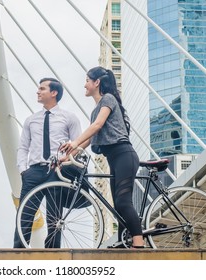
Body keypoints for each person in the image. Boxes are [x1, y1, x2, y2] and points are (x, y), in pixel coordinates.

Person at [61, 66, 144, 248]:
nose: (84, 85)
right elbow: (88, 140)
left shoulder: (108, 99)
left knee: (123, 202)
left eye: (87, 81)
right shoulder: (95, 110)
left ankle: (139, 246)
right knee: (117, 207)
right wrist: (66, 157)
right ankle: (124, 243)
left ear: (96, 82)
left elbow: (97, 126)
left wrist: (73, 142)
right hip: (114, 159)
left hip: (124, 154)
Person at [14, 77, 82, 248]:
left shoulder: (69, 118)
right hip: (34, 171)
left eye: (42, 88)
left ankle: (52, 255)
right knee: (24, 214)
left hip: (57, 170)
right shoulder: (31, 120)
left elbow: (78, 144)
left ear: (54, 93)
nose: (38, 91)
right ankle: (17, 253)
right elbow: (23, 147)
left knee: (55, 217)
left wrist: (66, 161)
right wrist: (23, 170)